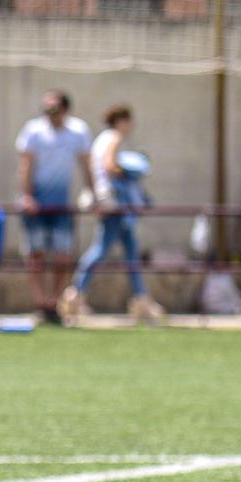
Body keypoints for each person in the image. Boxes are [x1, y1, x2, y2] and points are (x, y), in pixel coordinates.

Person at [67, 105, 164, 323]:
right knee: (101, 249)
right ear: (121, 120)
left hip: (109, 201)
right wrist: (130, 172)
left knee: (131, 252)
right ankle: (75, 294)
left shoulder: (102, 138)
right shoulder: (114, 137)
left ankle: (141, 299)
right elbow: (110, 166)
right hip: (116, 204)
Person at [16, 89, 93, 325]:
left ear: (65, 109)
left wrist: (92, 192)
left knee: (62, 256)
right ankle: (41, 303)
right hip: (37, 204)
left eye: (54, 109)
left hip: (62, 204)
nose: (49, 114)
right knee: (35, 254)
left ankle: (55, 303)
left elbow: (86, 164)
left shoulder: (78, 131)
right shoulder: (34, 131)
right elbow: (26, 164)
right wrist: (27, 196)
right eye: (46, 109)